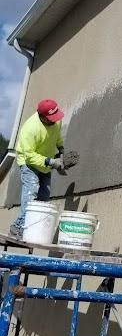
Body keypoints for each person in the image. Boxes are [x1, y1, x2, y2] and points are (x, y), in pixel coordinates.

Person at [9, 99, 65, 240]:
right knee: (31, 193)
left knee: (44, 197)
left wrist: (61, 150)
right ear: (42, 116)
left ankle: (32, 227)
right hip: (29, 162)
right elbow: (29, 155)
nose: (55, 120)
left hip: (45, 162)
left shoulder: (56, 120)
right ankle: (18, 227)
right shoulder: (30, 129)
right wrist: (51, 161)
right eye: (51, 118)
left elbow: (56, 135)